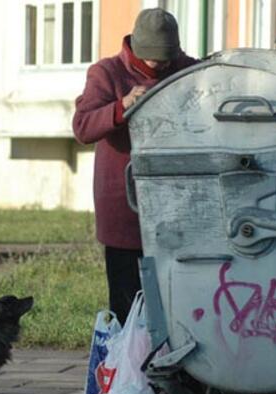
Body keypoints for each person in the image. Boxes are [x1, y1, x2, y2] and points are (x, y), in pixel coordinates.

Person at [72, 8, 198, 325]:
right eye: (155, 61)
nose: (162, 67)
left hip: (177, 208)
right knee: (128, 305)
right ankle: (130, 369)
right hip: (125, 207)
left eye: (168, 59)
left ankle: (177, 370)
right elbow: (83, 127)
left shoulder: (186, 69)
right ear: (137, 49)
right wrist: (122, 106)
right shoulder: (107, 73)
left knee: (179, 304)